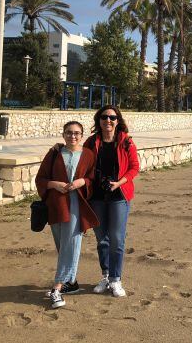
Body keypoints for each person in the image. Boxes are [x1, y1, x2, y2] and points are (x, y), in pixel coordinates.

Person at [35, 121, 99, 309]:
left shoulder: (88, 155)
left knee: (70, 243)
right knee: (63, 246)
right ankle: (71, 283)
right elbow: (40, 179)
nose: (73, 136)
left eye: (77, 133)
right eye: (69, 133)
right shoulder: (54, 153)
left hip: (76, 205)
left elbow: (93, 179)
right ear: (63, 135)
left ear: (82, 135)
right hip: (56, 205)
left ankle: (57, 287)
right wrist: (54, 184)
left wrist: (82, 181)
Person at [85, 105, 139, 298]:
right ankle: (106, 275)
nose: (108, 121)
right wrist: (58, 148)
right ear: (98, 121)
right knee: (102, 239)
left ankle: (116, 279)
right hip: (97, 197)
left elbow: (134, 168)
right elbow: (80, 160)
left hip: (119, 196)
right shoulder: (91, 143)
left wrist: (119, 183)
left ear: (118, 121)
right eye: (104, 117)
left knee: (117, 239)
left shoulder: (126, 142)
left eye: (112, 118)